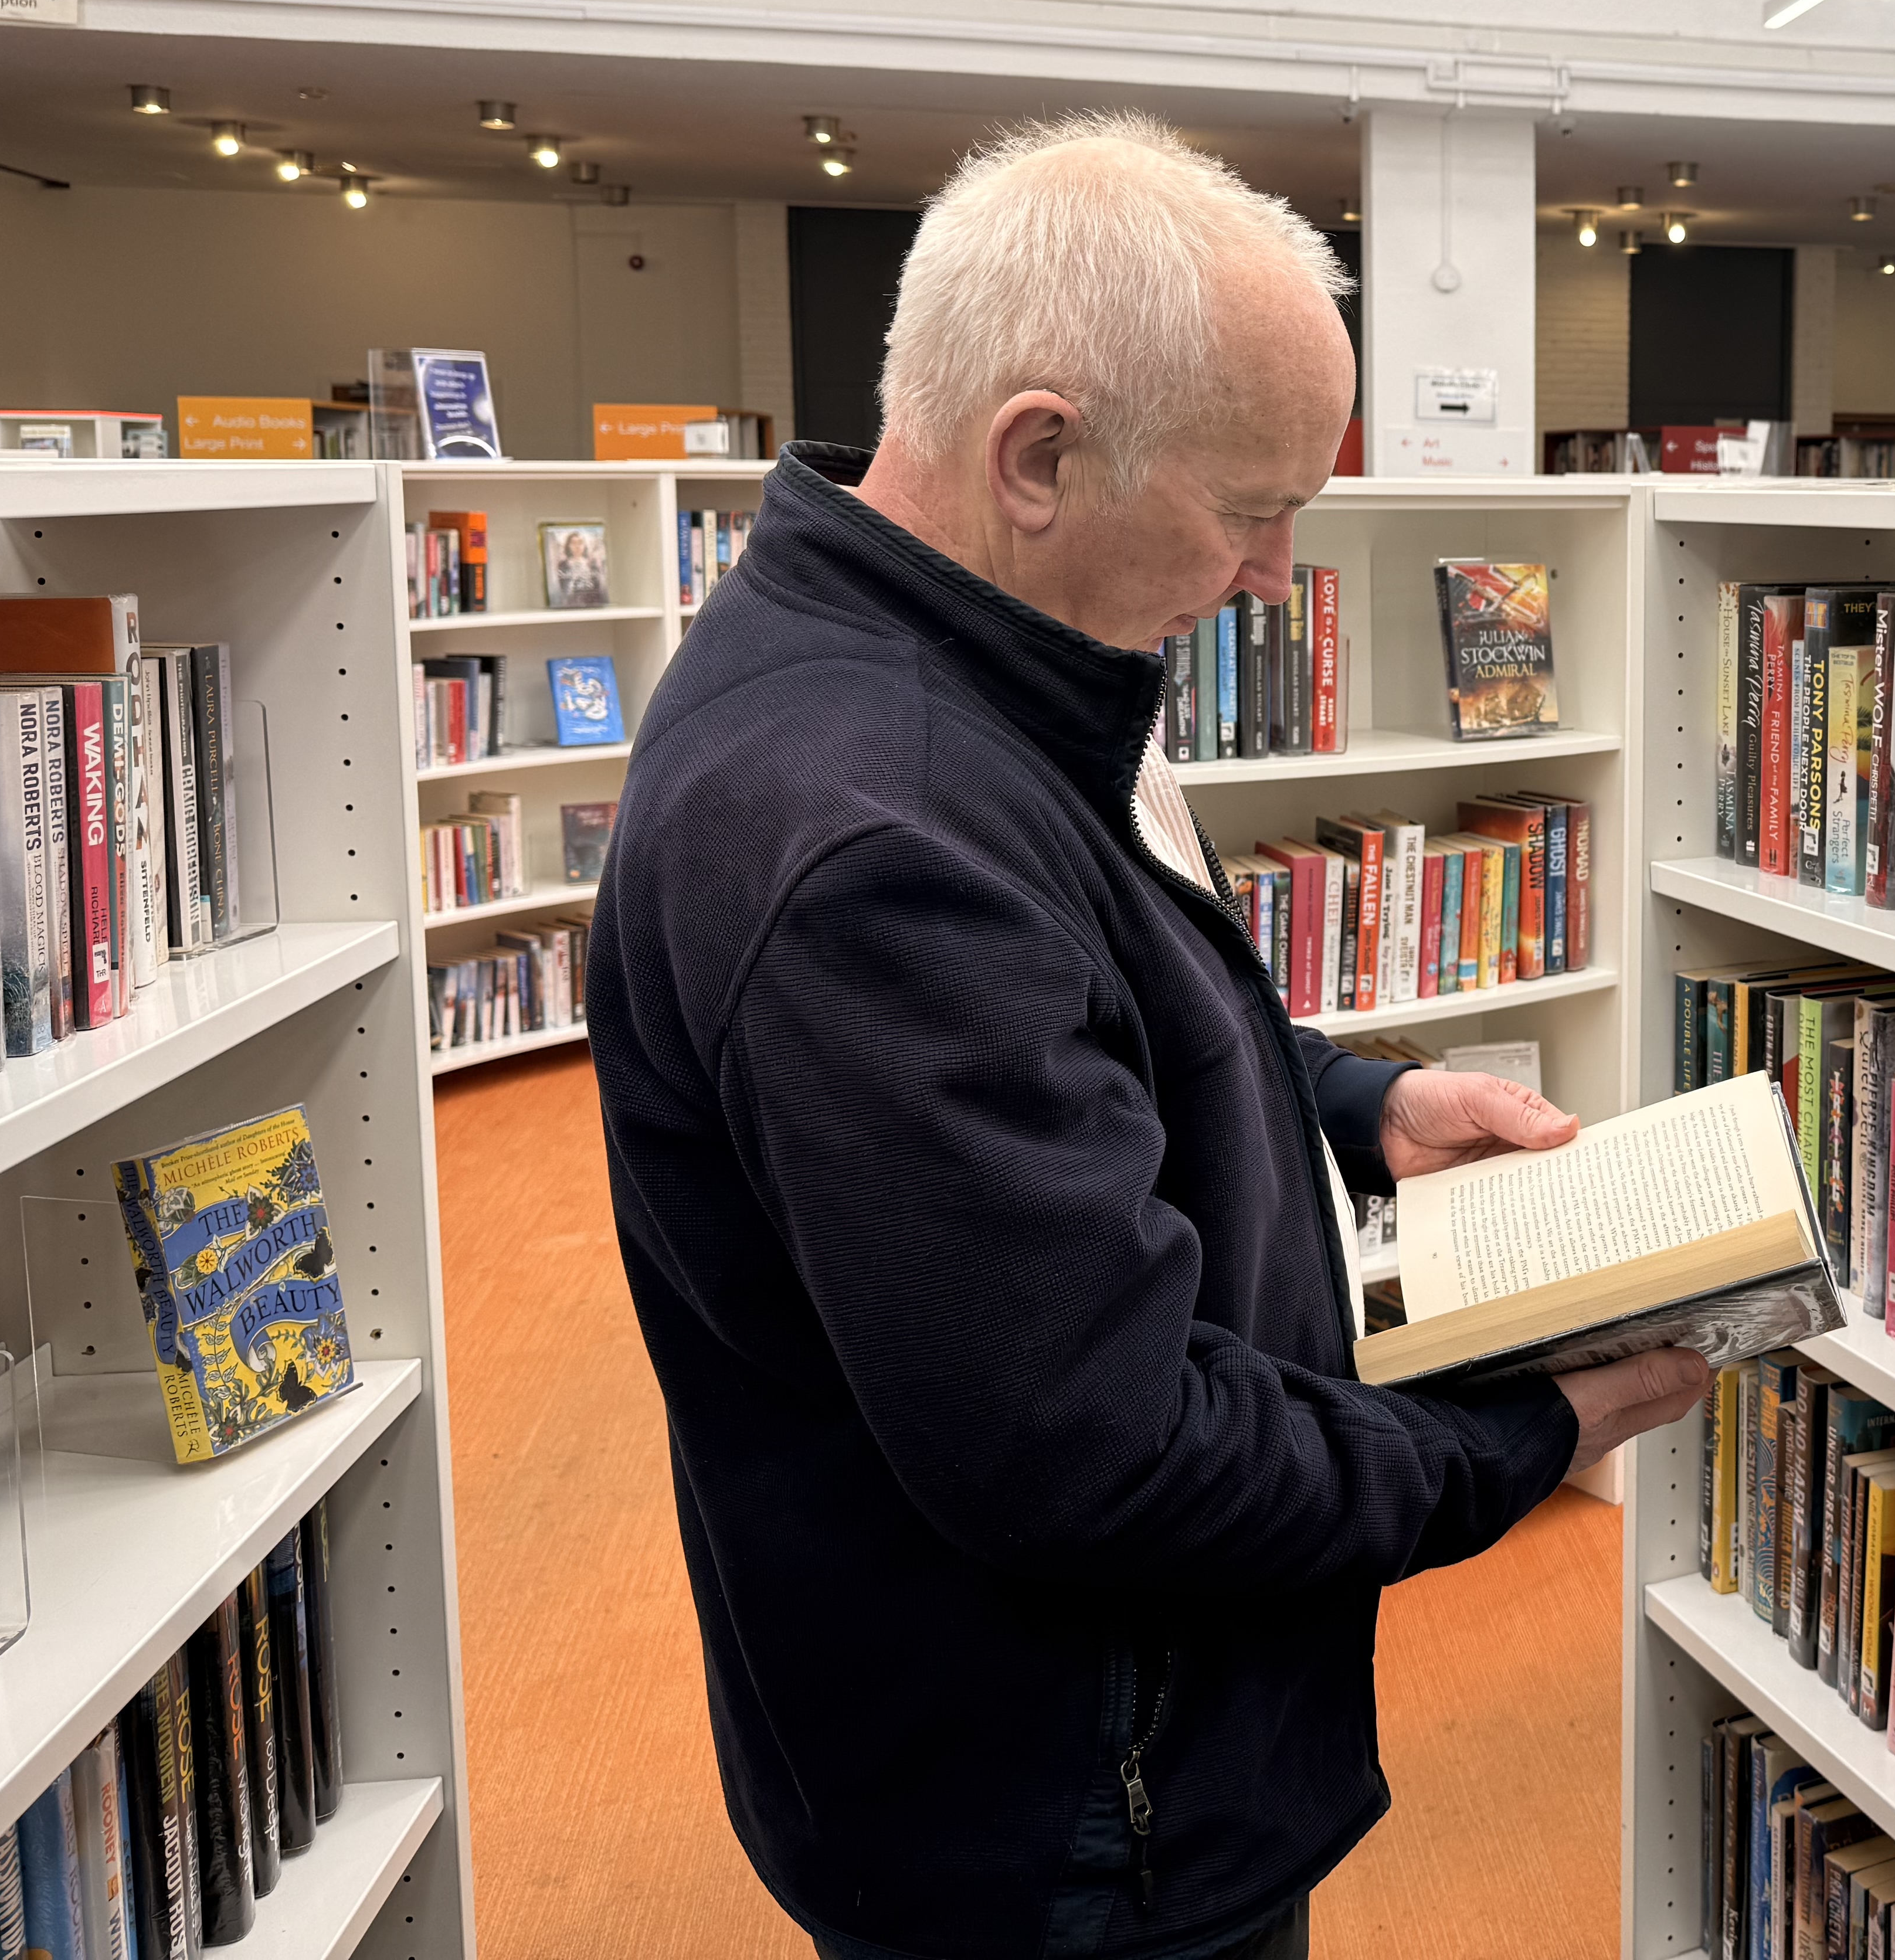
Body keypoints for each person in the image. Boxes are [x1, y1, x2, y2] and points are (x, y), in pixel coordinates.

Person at [586, 111, 1711, 1960]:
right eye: (1251, 506)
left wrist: (1357, 1101)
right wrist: (1518, 1436)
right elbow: (1103, 1450)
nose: (1275, 575)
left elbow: (1101, 1025)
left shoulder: (956, 668)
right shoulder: (883, 829)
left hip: (1072, 1756)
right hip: (1064, 1821)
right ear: (1039, 455)